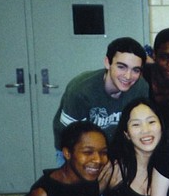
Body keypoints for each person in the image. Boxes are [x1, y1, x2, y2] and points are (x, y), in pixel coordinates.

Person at [52, 37, 148, 166]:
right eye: (121, 67)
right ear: (107, 63)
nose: (128, 76)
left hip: (114, 152)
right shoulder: (81, 91)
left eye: (135, 70)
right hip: (75, 150)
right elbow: (70, 139)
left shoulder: (140, 88)